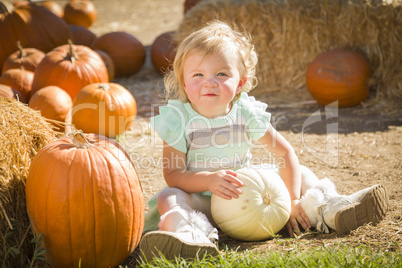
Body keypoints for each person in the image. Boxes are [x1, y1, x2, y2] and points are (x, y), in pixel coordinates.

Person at [139, 20, 388, 260]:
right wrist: (209, 180)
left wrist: (289, 201)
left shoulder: (247, 112)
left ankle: (329, 209)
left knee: (300, 173)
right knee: (168, 196)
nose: (209, 82)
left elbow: (284, 154)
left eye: (222, 73)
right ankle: (190, 234)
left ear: (240, 84)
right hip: (203, 201)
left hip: (249, 195)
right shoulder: (178, 119)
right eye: (198, 74)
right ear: (184, 81)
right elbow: (173, 173)